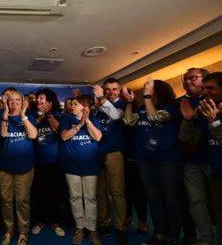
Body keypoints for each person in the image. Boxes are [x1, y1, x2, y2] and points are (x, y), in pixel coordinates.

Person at [123, 77, 182, 245]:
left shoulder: (171, 108)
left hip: (167, 160)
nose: (145, 91)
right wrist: (129, 103)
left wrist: (147, 98)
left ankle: (174, 238)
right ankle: (159, 235)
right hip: (144, 159)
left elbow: (154, 117)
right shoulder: (141, 109)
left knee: (170, 199)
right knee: (153, 198)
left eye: (148, 89)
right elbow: (128, 121)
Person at [181, 72, 222, 245]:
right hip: (219, 175)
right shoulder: (205, 111)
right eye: (204, 88)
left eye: (211, 88)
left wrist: (214, 122)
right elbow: (189, 139)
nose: (206, 92)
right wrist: (188, 120)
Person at [59, 95, 103, 245]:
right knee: (75, 198)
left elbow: (97, 137)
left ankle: (92, 230)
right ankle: (80, 228)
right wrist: (79, 125)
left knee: (90, 198)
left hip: (90, 166)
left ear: (84, 106)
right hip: (71, 166)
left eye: (75, 104)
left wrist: (88, 121)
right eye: (72, 104)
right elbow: (64, 136)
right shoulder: (67, 119)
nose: (72, 106)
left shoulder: (94, 119)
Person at [177, 68, 212, 245]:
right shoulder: (179, 103)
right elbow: (181, 136)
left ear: (204, 80)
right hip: (190, 161)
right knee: (196, 202)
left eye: (193, 78)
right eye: (186, 79)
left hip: (215, 159)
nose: (189, 81)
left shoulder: (215, 99)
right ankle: (206, 239)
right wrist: (187, 119)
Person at [0, 90, 38, 245]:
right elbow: (3, 134)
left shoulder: (29, 117)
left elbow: (33, 135)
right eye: (10, 100)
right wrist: (6, 113)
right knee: (6, 200)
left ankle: (23, 232)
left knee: (22, 200)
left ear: (23, 103)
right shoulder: (1, 116)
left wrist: (23, 116)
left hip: (25, 167)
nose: (14, 103)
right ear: (6, 103)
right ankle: (9, 230)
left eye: (17, 100)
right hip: (4, 167)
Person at [92, 78, 128, 245]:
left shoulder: (123, 104)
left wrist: (101, 99)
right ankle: (103, 223)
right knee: (100, 192)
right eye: (107, 89)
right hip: (98, 152)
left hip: (114, 153)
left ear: (119, 90)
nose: (110, 92)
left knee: (117, 192)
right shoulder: (99, 105)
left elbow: (115, 115)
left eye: (114, 89)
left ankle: (120, 227)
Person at [30, 88, 66, 238]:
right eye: (38, 98)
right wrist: (40, 117)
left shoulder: (58, 115)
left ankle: (55, 221)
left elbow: (58, 129)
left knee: (55, 193)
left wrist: (49, 114)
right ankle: (40, 221)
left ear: (50, 102)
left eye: (42, 99)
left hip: (55, 162)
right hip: (37, 162)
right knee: (39, 193)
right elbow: (31, 132)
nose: (39, 101)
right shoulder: (32, 116)